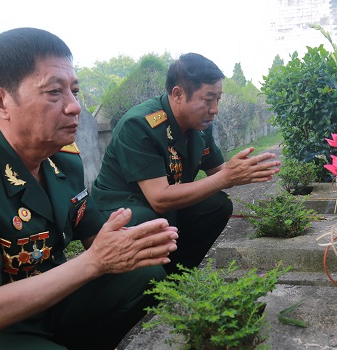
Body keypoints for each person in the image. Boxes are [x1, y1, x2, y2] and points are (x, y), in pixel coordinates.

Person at [0, 28, 178, 350]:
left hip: (42, 302)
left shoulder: (63, 157)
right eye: (54, 91)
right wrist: (94, 262)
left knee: (147, 272)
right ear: (0, 102)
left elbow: (91, 230)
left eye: (74, 90)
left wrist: (133, 240)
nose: (74, 105)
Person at [91, 53, 280, 275]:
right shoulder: (139, 125)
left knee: (217, 204)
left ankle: (178, 273)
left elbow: (219, 171)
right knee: (154, 220)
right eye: (208, 100)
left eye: (218, 99)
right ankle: (150, 282)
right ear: (178, 94)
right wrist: (226, 176)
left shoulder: (200, 126)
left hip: (163, 208)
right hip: (123, 210)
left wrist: (244, 169)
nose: (215, 109)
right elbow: (159, 198)